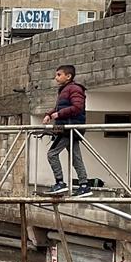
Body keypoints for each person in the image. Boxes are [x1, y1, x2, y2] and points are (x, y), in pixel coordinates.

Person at [42, 64, 90, 196]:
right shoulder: (65, 90)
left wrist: (60, 114)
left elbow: (77, 107)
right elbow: (58, 107)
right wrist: (48, 114)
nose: (56, 77)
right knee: (75, 157)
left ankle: (60, 183)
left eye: (59, 75)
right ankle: (84, 185)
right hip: (69, 127)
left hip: (68, 128)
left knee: (52, 154)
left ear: (68, 76)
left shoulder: (74, 89)